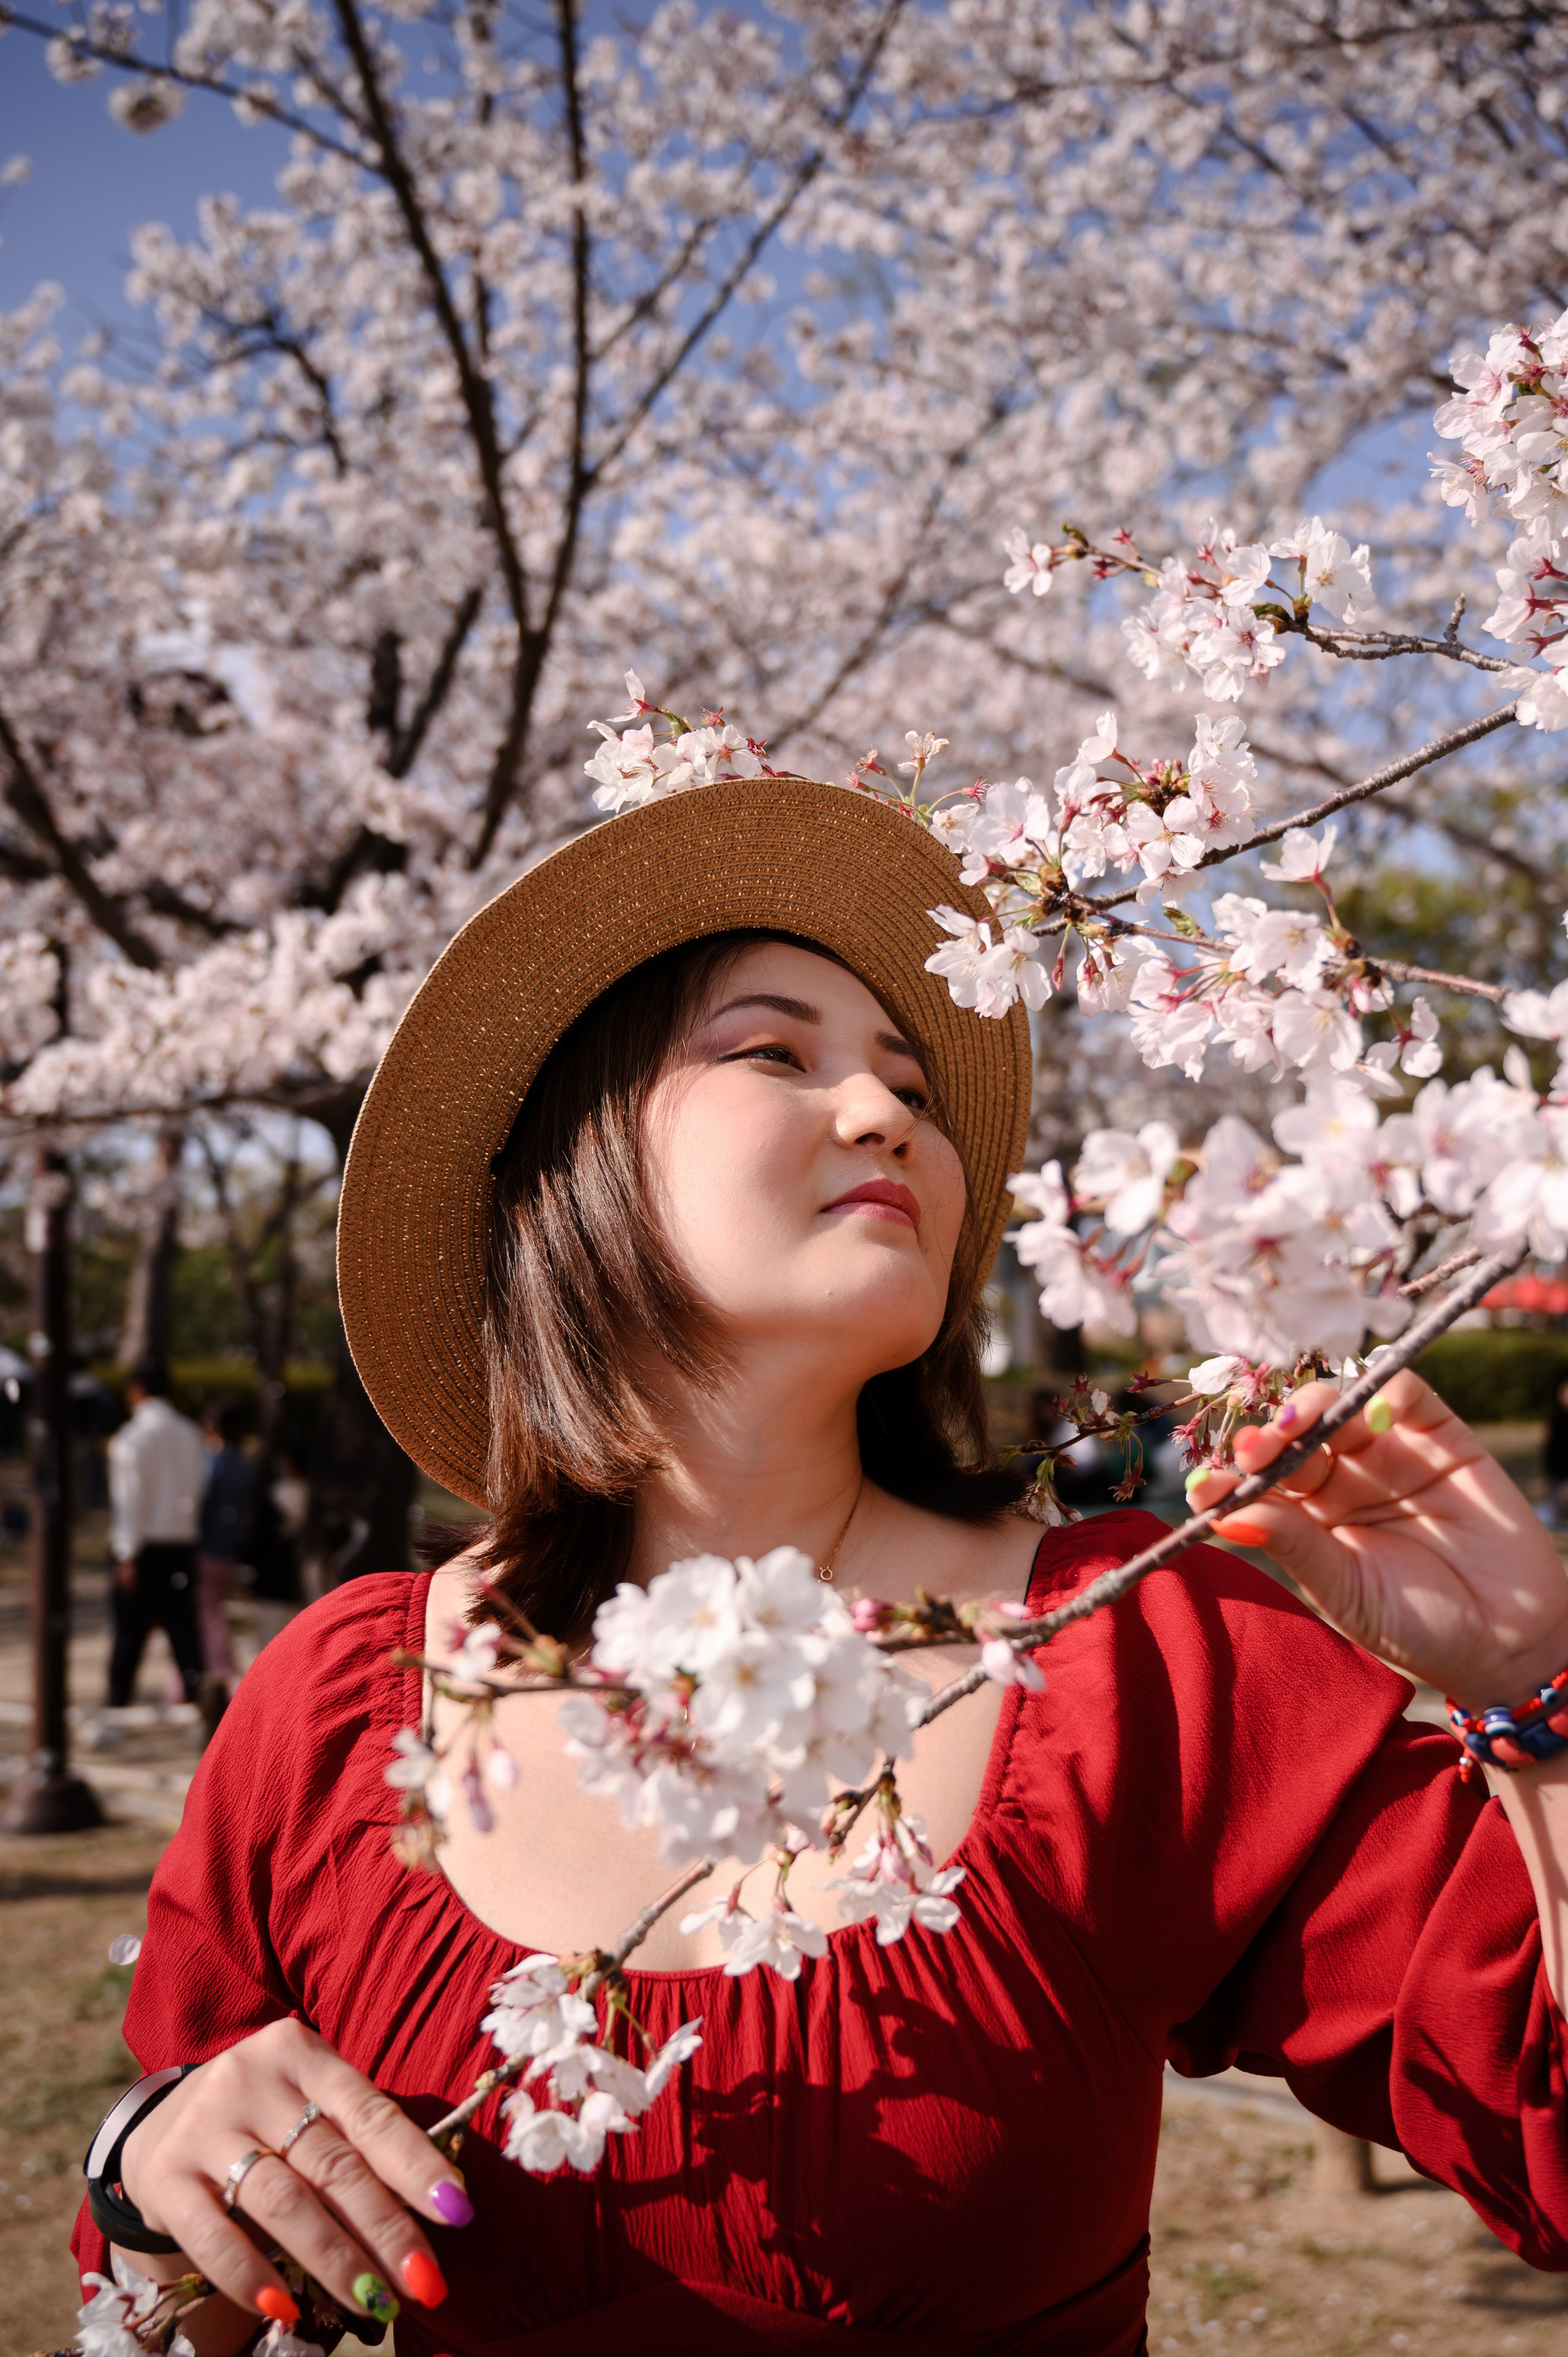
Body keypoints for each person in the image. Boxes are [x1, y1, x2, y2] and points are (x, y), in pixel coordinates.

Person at [74, 780, 1568, 2356]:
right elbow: (158, 2307)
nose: (884, 1115)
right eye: (773, 1051)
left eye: (908, 1083)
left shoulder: (1133, 1643)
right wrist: (143, 2163)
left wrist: (1531, 1685)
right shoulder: (336, 1710)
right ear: (569, 1166)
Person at [105, 1360, 207, 1711]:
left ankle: (117, 1703)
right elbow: (198, 1487)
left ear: (137, 1390)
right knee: (183, 1630)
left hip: (144, 1545)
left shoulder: (133, 1437)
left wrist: (126, 1552)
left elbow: (129, 1498)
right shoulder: (190, 1432)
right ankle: (198, 1706)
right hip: (181, 1542)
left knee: (130, 1631)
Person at [194, 1405, 252, 1695]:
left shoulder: (211, 1463)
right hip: (234, 1549)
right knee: (216, 1618)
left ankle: (225, 1679)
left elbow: (202, 1506)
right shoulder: (246, 1464)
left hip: (208, 1548)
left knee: (208, 1619)